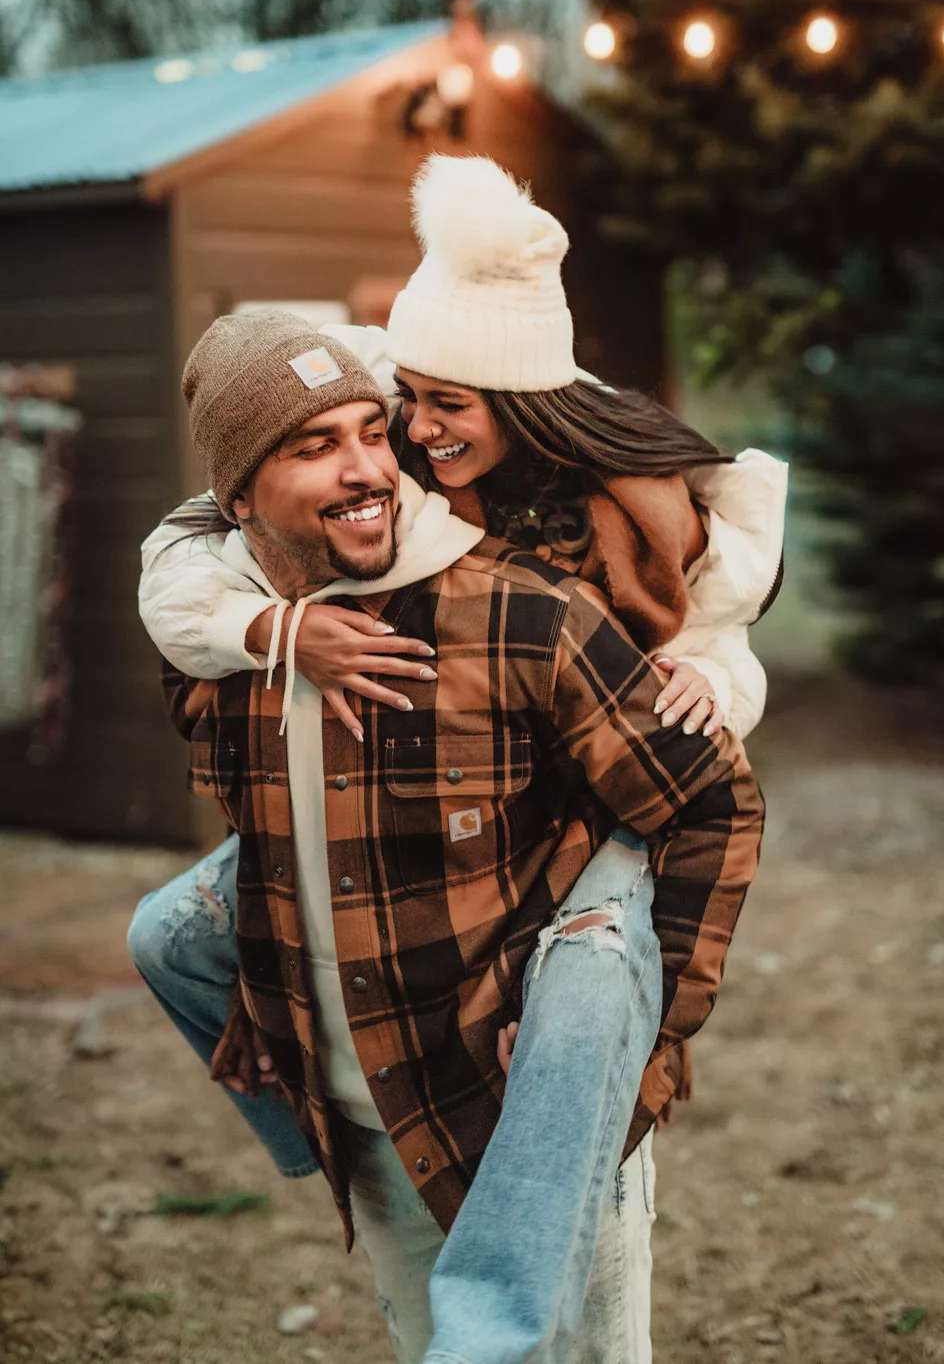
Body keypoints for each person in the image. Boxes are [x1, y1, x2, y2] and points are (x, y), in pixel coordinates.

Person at [132, 161, 782, 1361]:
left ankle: (551, 1193)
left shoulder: (577, 540)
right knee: (169, 930)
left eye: (401, 423)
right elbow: (186, 550)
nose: (402, 445)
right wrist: (274, 628)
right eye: (396, 410)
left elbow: (711, 640)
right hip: (379, 1062)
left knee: (591, 977)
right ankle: (301, 1108)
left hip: (593, 831)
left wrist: (718, 678)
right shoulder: (293, 574)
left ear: (515, 408)